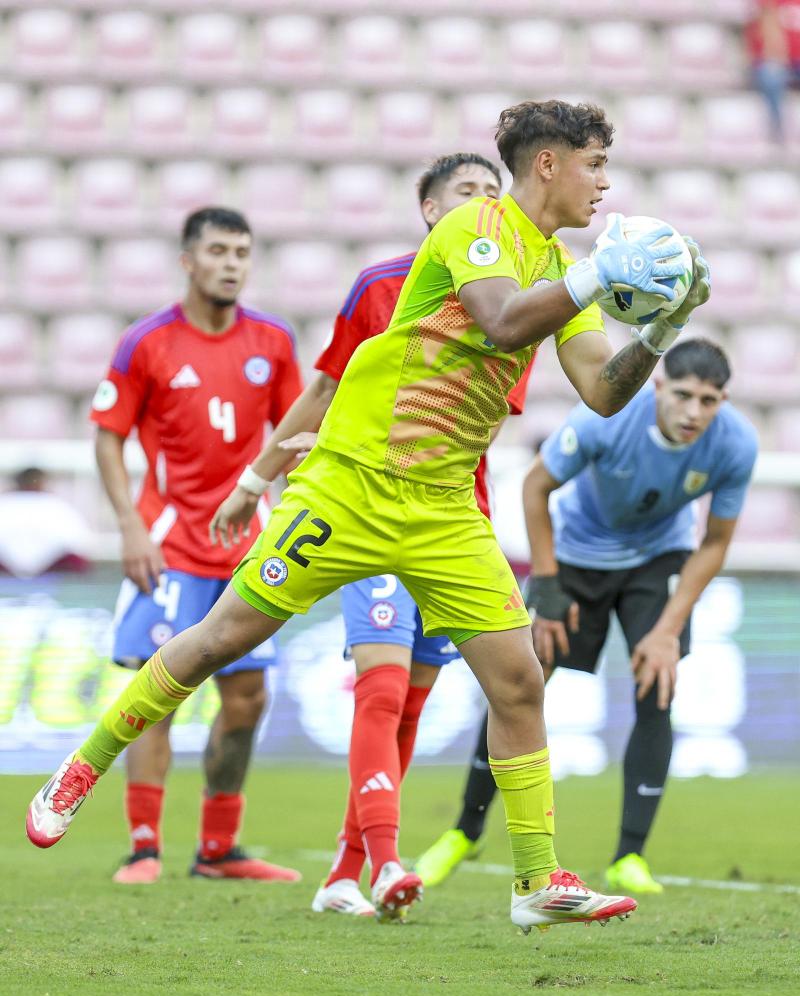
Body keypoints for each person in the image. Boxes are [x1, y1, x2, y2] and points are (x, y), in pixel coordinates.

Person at [28, 99, 710, 935]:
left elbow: (604, 394)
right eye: (596, 164)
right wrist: (601, 274)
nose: (606, 184)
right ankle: (80, 768)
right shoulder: (476, 225)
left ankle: (536, 882)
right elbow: (500, 321)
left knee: (518, 680)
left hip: (442, 507)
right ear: (548, 164)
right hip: (352, 481)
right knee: (221, 638)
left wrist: (665, 325)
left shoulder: (565, 267)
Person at [258, 152, 532, 920]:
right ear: (428, 208)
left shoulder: (510, 301)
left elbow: (477, 409)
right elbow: (328, 384)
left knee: (411, 703)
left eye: (492, 193)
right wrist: (260, 474)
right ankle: (383, 862)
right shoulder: (378, 285)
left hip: (451, 519)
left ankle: (343, 871)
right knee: (379, 690)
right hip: (371, 507)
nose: (483, 204)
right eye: (466, 193)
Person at [415, 339, 756, 896]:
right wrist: (546, 588)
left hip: (657, 559)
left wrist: (669, 630)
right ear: (661, 387)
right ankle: (463, 832)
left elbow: (714, 543)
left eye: (710, 401)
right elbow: (535, 486)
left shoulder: (736, 443)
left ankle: (629, 857)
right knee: (518, 686)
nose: (695, 412)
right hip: (575, 556)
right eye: (686, 396)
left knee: (658, 683)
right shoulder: (609, 418)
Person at [89, 207, 303, 884]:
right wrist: (128, 524)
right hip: (171, 542)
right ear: (189, 260)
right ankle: (144, 846)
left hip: (246, 546)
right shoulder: (145, 342)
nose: (232, 262)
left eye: (242, 250)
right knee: (157, 691)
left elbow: (294, 438)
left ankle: (217, 850)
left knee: (247, 698)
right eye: (218, 250)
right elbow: (107, 434)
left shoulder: (273, 340)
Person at [0, 468, 92, 577]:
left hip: (42, 569)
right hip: (48, 571)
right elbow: (80, 542)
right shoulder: (56, 504)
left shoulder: (5, 502)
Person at [746, 0, 800, 141]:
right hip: (776, 58)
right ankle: (777, 130)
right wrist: (778, 56)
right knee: (772, 77)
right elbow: (769, 28)